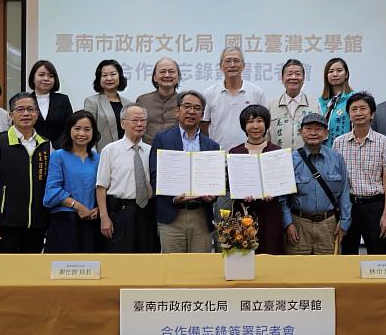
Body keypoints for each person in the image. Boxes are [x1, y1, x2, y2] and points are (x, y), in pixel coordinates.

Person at [0, 92, 51, 253]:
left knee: (32, 274)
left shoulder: (46, 145)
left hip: (37, 224)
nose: (26, 114)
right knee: (5, 275)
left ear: (37, 114)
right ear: (11, 115)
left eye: (30, 109)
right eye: (20, 109)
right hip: (5, 224)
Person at [150, 91, 220, 253]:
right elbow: (155, 175)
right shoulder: (162, 139)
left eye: (197, 108)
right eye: (186, 107)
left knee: (199, 270)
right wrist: (174, 198)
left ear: (202, 115)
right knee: (173, 270)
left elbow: (215, 179)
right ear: (177, 111)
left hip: (201, 215)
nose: (191, 111)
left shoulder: (212, 146)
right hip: (171, 214)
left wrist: (213, 195)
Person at [333, 92, 386, 255]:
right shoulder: (339, 142)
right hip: (348, 207)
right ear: (349, 115)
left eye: (363, 108)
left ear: (372, 114)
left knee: (378, 253)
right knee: (347, 254)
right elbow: (335, 179)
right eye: (354, 109)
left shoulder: (384, 142)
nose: (358, 113)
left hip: (374, 206)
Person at [279, 112, 351, 255]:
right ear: (301, 132)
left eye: (318, 129)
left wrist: (344, 222)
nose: (313, 133)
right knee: (297, 271)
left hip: (329, 225)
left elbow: (344, 193)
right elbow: (283, 198)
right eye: (308, 128)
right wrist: (288, 224)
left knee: (328, 272)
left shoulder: (336, 158)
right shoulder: (290, 159)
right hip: (299, 224)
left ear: (326, 133)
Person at [96, 104, 159, 253]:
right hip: (120, 213)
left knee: (148, 256)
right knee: (121, 257)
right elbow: (101, 186)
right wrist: (104, 217)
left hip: (147, 212)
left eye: (143, 120)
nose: (139, 124)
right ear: (122, 123)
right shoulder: (110, 150)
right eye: (135, 120)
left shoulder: (152, 151)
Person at [228, 105, 285, 255]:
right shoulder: (235, 152)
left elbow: (281, 182)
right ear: (244, 126)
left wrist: (275, 191)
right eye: (250, 121)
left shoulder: (276, 152)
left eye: (259, 121)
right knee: (244, 253)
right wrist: (242, 193)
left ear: (266, 124)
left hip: (271, 211)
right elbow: (232, 183)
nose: (255, 126)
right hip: (244, 211)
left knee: (271, 252)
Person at [43, 111, 102, 253]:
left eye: (87, 129)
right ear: (69, 130)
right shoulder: (59, 156)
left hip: (91, 222)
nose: (82, 133)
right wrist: (78, 206)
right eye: (77, 128)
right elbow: (52, 191)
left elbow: (102, 189)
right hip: (65, 221)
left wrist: (98, 209)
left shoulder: (98, 158)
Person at [201, 46, 267, 152]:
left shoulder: (257, 92)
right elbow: (204, 125)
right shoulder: (209, 93)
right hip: (218, 154)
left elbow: (264, 125)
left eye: (236, 61)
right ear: (220, 66)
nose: (232, 65)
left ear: (243, 66)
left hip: (250, 154)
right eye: (228, 61)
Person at [84, 59, 134, 152]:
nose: (109, 78)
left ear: (120, 76)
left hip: (127, 154)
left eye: (113, 74)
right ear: (99, 79)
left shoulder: (129, 104)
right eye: (104, 75)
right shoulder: (92, 102)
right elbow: (88, 130)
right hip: (102, 155)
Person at [269, 58, 313, 150]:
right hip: (278, 159)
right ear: (282, 78)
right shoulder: (271, 106)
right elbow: (266, 137)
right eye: (289, 74)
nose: (293, 77)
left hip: (307, 161)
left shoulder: (315, 105)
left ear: (304, 78)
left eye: (297, 74)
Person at [28, 60, 73, 149]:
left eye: (51, 76)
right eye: (41, 75)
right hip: (30, 149)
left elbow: (69, 126)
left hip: (59, 151)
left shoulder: (63, 100)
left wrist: (55, 148)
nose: (46, 78)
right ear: (33, 78)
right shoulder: (25, 100)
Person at [136, 57, 181, 145]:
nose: (167, 75)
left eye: (171, 72)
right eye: (162, 72)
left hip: (176, 153)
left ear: (178, 77)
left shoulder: (184, 102)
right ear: (155, 77)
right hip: (147, 152)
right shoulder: (143, 101)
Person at [318, 57, 355, 147]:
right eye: (330, 71)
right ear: (326, 76)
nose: (335, 74)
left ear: (346, 74)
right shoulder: (320, 102)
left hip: (347, 150)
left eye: (339, 70)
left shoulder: (354, 98)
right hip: (323, 152)